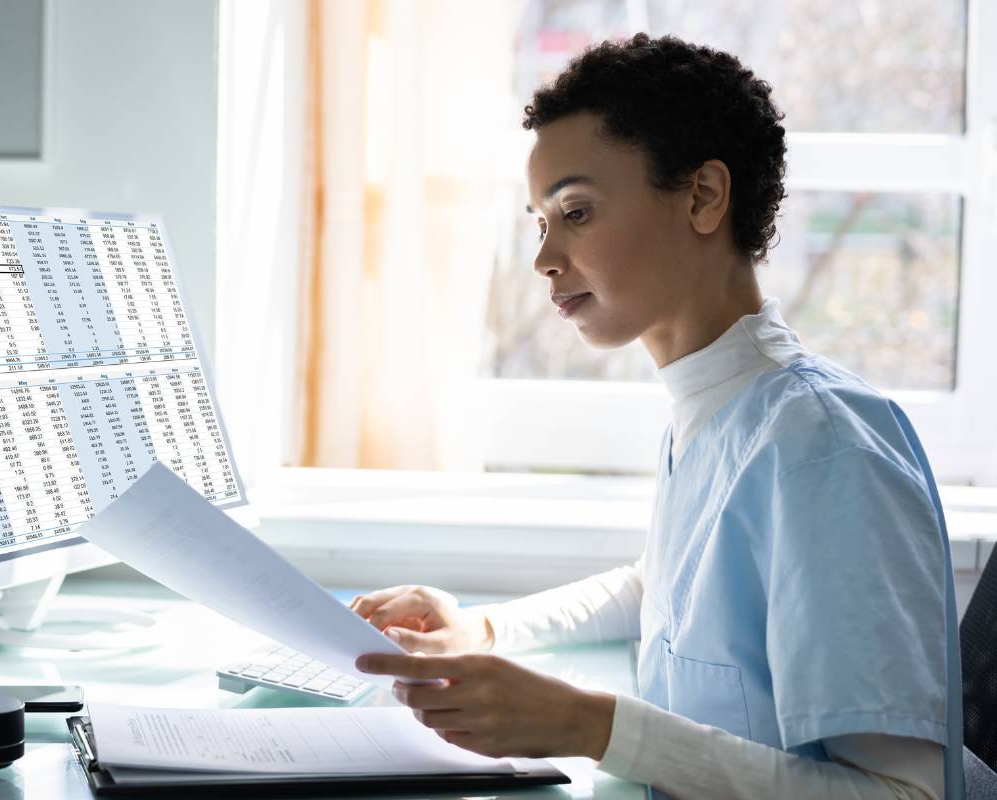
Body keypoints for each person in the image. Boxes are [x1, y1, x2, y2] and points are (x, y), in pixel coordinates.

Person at [350, 33, 963, 800]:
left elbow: (908, 796)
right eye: (540, 221)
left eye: (575, 211)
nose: (544, 257)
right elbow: (667, 592)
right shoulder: (714, 408)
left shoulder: (822, 447)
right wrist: (485, 631)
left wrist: (593, 727)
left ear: (704, 197)